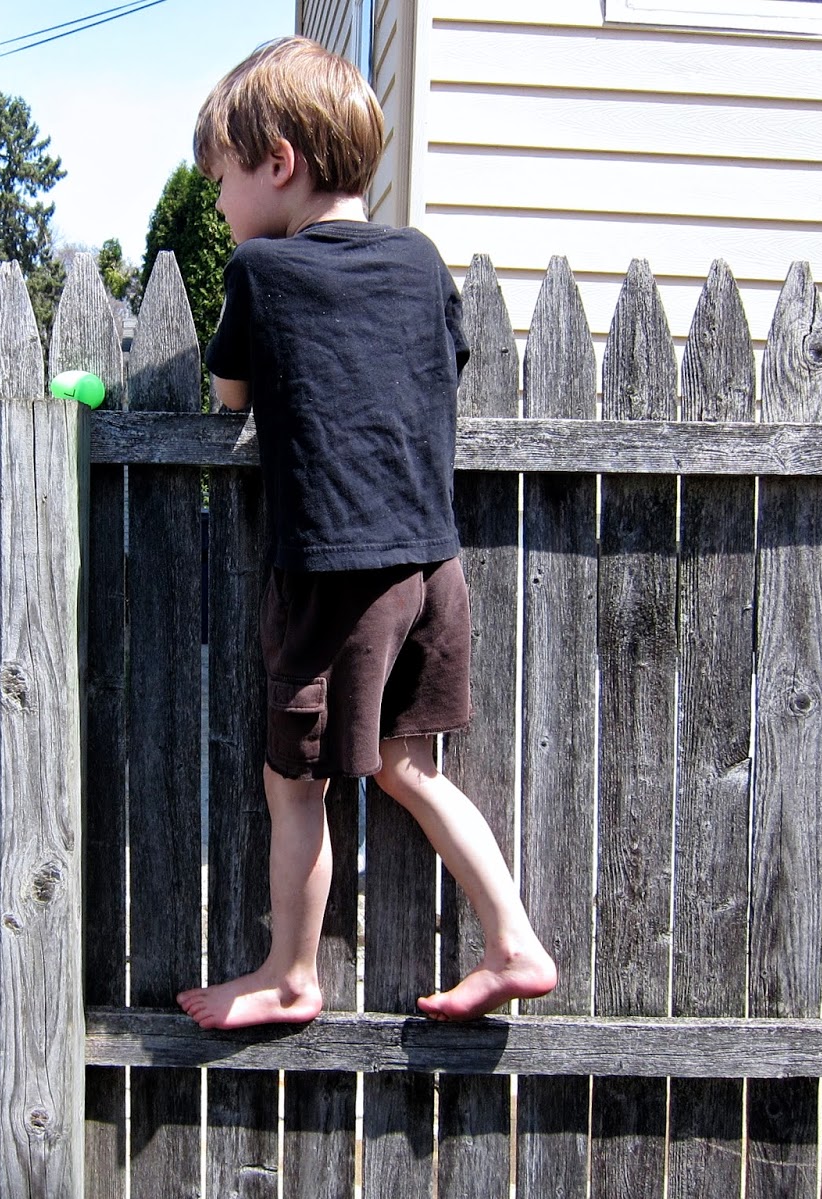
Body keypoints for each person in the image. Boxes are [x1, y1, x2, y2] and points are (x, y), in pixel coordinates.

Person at [176, 36, 556, 1031]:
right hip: (432, 561)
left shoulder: (262, 271)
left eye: (221, 181)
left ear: (278, 163)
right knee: (406, 764)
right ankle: (513, 939)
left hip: (334, 570)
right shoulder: (421, 260)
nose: (218, 205)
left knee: (293, 782)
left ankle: (291, 975)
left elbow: (230, 395)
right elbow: (444, 359)